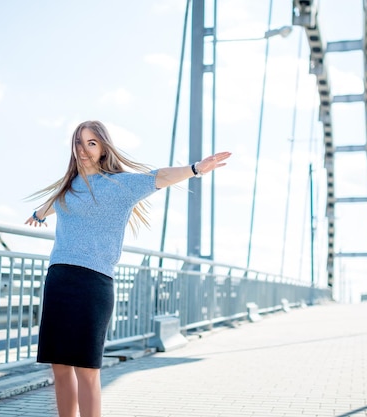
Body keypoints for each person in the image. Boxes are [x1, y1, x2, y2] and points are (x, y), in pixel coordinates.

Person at [24, 120, 231, 417]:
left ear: (104, 147)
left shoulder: (120, 185)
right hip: (58, 280)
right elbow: (55, 201)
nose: (84, 149)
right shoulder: (68, 186)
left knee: (86, 370)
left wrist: (196, 168)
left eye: (91, 143)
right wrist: (38, 213)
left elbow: (158, 177)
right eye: (79, 143)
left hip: (93, 284)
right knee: (59, 367)